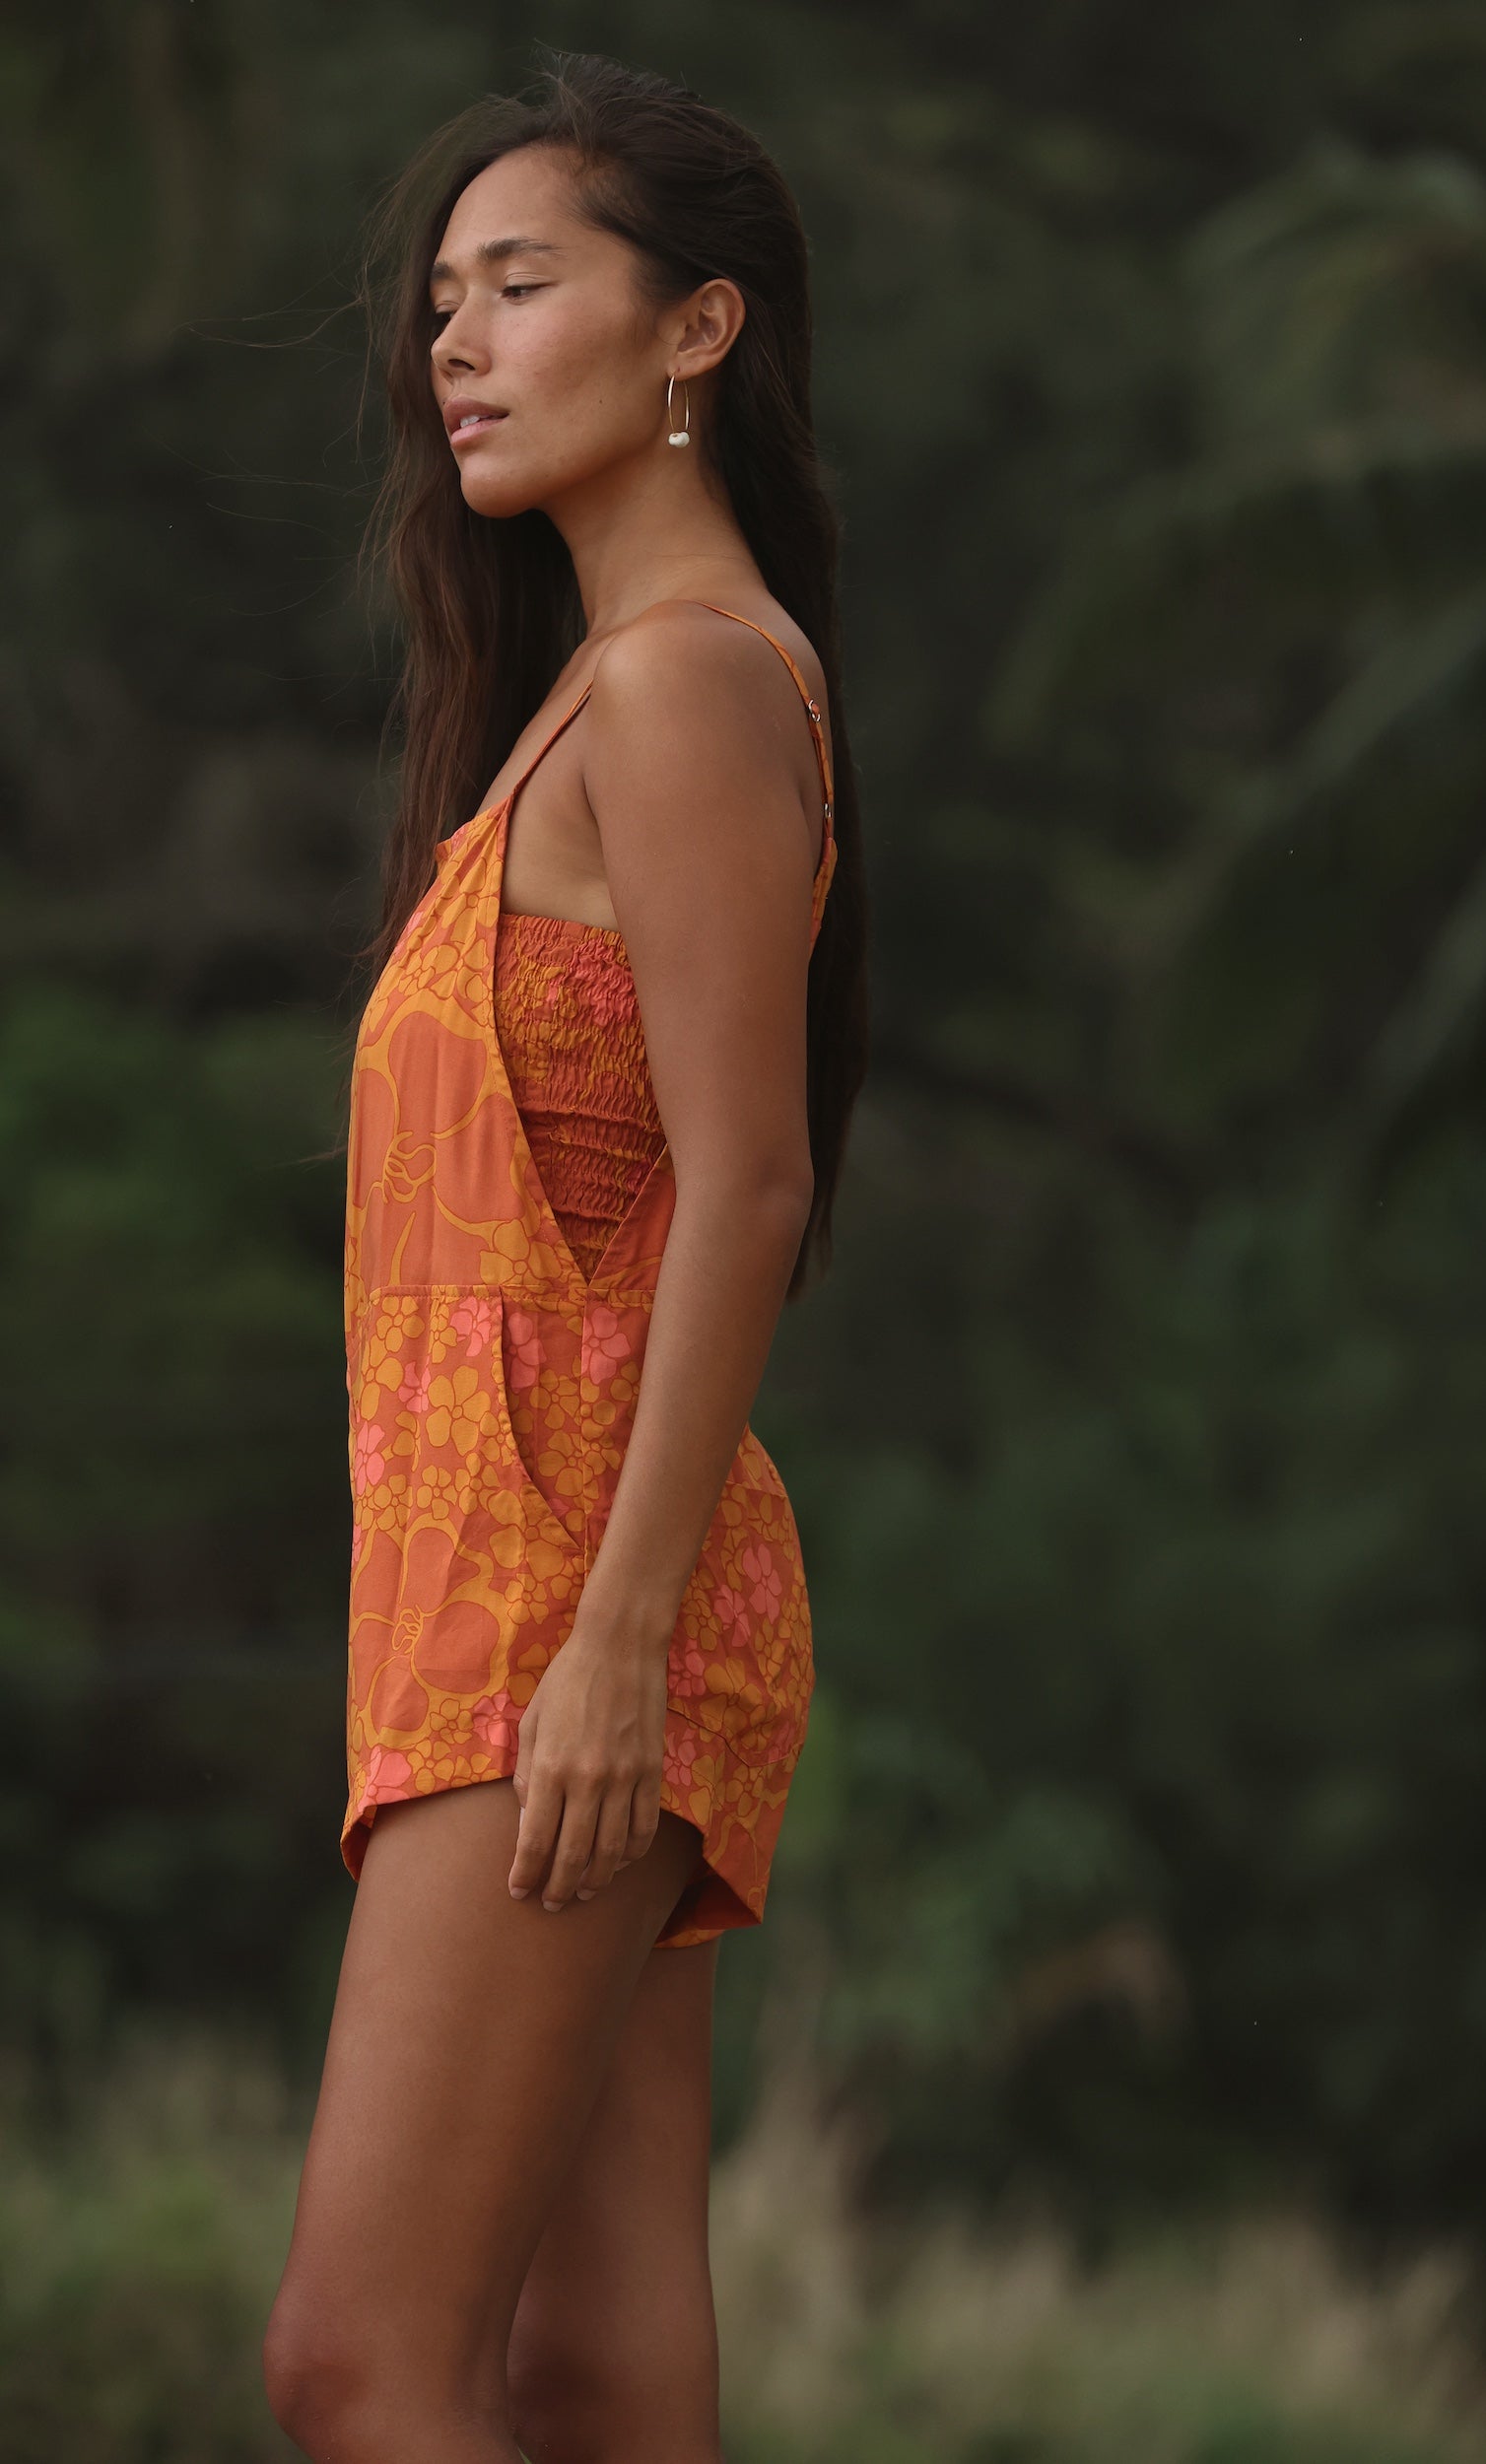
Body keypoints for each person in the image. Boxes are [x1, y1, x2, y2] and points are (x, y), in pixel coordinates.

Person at [263, 50, 868, 2464]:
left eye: (522, 285)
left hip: (573, 1597)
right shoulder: (569, 710)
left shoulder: (692, 680)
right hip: (506, 1587)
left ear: (697, 325)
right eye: (444, 301)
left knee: (359, 2364)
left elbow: (753, 1182)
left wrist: (612, 1641)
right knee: (589, 2374)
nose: (460, 343)